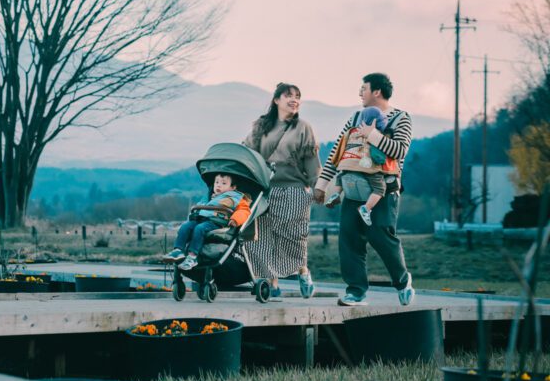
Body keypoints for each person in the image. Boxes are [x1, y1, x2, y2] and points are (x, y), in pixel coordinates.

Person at [313, 72, 415, 307]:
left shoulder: (401, 118)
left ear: (377, 91)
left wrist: (373, 135)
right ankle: (356, 291)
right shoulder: (355, 117)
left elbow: (400, 151)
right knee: (349, 239)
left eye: (364, 88)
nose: (360, 92)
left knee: (381, 236)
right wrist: (323, 186)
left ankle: (402, 281)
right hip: (352, 188)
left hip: (383, 191)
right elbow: (337, 154)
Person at [243, 82, 321, 299]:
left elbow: (312, 163)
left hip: (294, 190)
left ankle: (303, 271)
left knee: (293, 236)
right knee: (262, 238)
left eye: (297, 95)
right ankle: (272, 284)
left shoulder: (303, 127)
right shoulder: (261, 126)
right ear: (276, 100)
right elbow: (248, 154)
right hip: (266, 190)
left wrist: (319, 189)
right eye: (288, 95)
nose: (294, 99)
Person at [324, 106, 398, 226]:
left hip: (347, 165)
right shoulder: (376, 134)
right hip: (366, 168)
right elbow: (378, 156)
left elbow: (340, 148)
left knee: (341, 177)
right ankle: (366, 208)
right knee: (380, 189)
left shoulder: (352, 132)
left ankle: (336, 194)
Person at [163, 174, 251, 272]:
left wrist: (235, 219)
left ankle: (192, 256)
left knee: (200, 228)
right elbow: (200, 206)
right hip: (201, 219)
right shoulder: (209, 196)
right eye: (216, 182)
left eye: (223, 183)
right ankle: (178, 250)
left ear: (233, 187)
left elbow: (244, 210)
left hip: (216, 223)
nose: (218, 185)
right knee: (185, 226)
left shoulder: (236, 197)